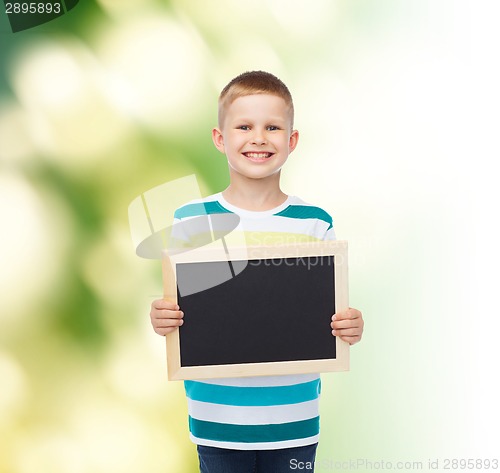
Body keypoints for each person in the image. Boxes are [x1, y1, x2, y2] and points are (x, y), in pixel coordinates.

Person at [149, 71, 364, 473]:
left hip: (294, 419)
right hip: (217, 421)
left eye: (273, 127)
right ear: (220, 138)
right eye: (244, 126)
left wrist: (351, 324)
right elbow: (177, 307)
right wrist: (161, 317)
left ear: (291, 140)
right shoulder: (191, 220)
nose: (259, 138)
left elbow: (332, 312)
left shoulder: (314, 222)